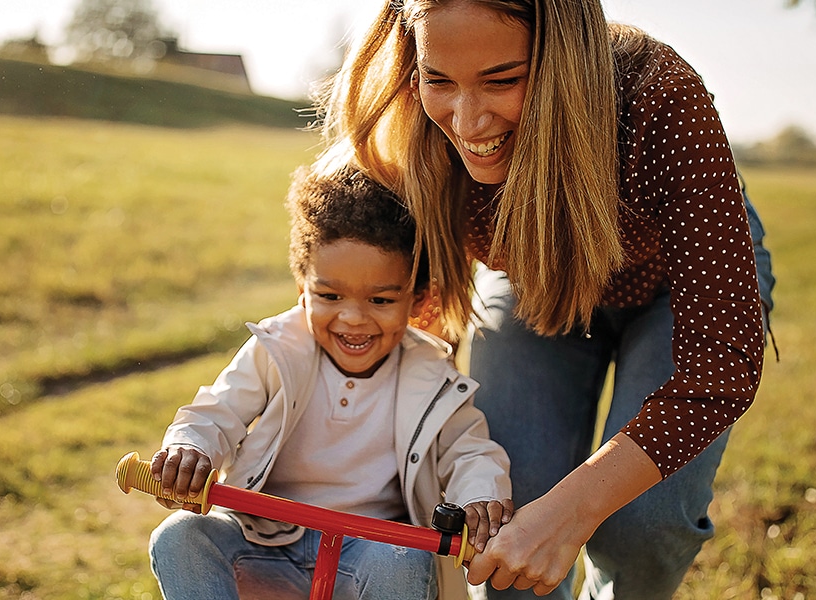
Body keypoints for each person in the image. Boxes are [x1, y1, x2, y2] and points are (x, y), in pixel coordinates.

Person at [311, 0, 775, 598]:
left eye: (503, 80)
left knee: (642, 523)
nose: (469, 122)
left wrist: (574, 511)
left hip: (669, 287)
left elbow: (719, 369)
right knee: (500, 504)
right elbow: (391, 318)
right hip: (535, 282)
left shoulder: (662, 96)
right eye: (439, 80)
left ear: (564, 56)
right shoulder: (406, 132)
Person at [146, 165, 514, 600]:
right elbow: (218, 411)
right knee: (181, 536)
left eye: (380, 299)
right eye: (330, 296)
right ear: (303, 287)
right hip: (263, 539)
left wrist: (481, 497)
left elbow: (470, 451)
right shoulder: (277, 349)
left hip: (368, 552)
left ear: (416, 300)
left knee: (404, 558)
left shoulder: (432, 376)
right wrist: (191, 448)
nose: (353, 318)